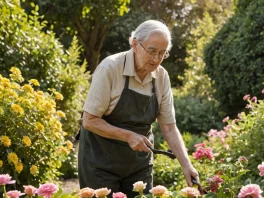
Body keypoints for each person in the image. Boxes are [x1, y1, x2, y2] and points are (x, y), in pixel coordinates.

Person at [78, 20, 198, 197]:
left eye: (162, 53)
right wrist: (128, 136)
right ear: (134, 44)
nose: (156, 59)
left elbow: (169, 127)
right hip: (100, 162)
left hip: (138, 165)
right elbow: (89, 120)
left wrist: (187, 165)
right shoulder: (110, 68)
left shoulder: (161, 77)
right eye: (151, 51)